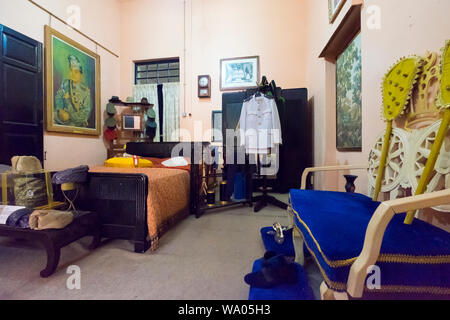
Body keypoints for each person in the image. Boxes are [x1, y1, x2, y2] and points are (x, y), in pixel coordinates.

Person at [54, 54, 92, 128]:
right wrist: (60, 110)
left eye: (76, 72)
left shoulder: (85, 91)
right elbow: (58, 97)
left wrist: (70, 116)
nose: (73, 74)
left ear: (81, 74)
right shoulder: (65, 83)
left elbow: (85, 112)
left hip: (77, 122)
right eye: (71, 70)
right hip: (61, 118)